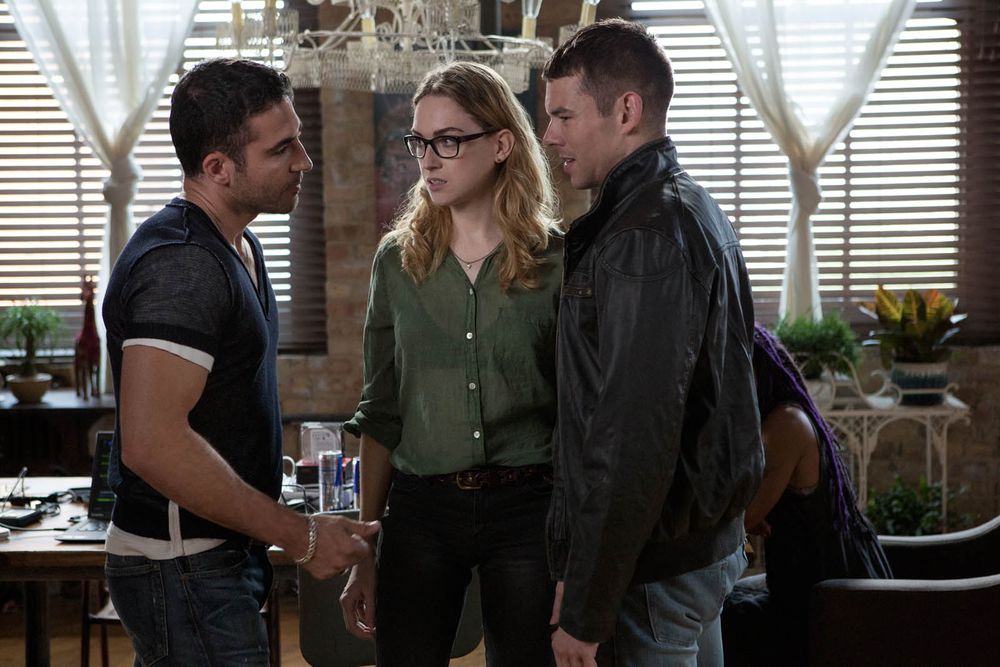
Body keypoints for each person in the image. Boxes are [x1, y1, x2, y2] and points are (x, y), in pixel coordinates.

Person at [101, 58, 380, 665]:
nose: (304, 160)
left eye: (298, 139)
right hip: (181, 564)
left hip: (216, 558)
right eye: (282, 149)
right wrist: (301, 537)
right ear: (217, 168)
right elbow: (150, 443)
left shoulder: (237, 243)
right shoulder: (182, 264)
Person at [541, 19, 764, 666]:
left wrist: (587, 604)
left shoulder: (643, 236)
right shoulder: (693, 207)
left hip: (655, 569)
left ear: (627, 111)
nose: (549, 135)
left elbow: (631, 437)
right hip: (701, 551)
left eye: (563, 115)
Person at [339, 61, 563, 667]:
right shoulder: (396, 262)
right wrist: (364, 549)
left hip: (529, 507)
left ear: (501, 144)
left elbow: (580, 415)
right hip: (422, 509)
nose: (428, 160)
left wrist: (577, 557)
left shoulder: (556, 262)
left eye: (448, 141)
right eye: (420, 142)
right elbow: (380, 410)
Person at [721, 324, 893, 665]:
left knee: (719, 621)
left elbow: (739, 523)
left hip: (836, 604)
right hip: (819, 591)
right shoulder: (784, 418)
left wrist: (747, 522)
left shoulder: (785, 425)